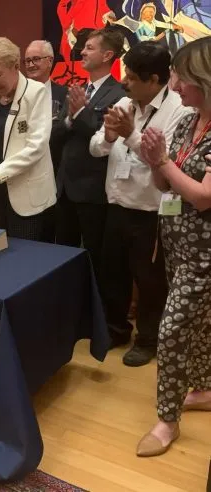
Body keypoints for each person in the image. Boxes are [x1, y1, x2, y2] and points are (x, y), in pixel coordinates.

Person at [89, 41, 192, 366]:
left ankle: (147, 339)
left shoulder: (179, 111)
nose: (125, 82)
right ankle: (116, 329)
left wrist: (131, 134)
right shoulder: (125, 103)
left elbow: (169, 164)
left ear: (154, 80)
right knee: (113, 273)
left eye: (132, 77)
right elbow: (95, 149)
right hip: (117, 205)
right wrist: (107, 135)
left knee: (150, 281)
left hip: (153, 212)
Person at [136, 36, 211, 457]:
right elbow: (165, 184)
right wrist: (155, 162)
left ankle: (167, 420)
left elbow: (203, 196)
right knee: (199, 326)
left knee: (173, 330)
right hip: (177, 242)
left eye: (182, 75)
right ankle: (203, 388)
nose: (176, 84)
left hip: (205, 253)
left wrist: (163, 162)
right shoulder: (186, 121)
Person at [0, 37, 56, 241]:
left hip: (27, 193)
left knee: (26, 257)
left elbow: (36, 147)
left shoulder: (36, 92)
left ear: (15, 66)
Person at [54, 28, 125, 284]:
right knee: (63, 255)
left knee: (96, 258)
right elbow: (57, 131)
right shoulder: (77, 89)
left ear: (107, 55)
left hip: (94, 190)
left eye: (90, 48)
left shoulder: (120, 94)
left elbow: (102, 133)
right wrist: (74, 117)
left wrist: (79, 113)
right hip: (65, 187)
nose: (82, 51)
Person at [24, 40, 68, 176]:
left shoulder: (64, 94)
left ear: (49, 61)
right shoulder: (17, 94)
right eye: (27, 61)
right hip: (25, 166)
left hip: (55, 167)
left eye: (36, 59)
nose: (31, 65)